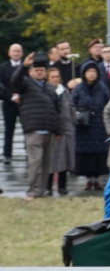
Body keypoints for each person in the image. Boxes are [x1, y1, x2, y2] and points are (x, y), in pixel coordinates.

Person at [11, 52, 61, 200]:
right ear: (30, 71)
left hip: (49, 130)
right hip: (33, 129)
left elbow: (56, 109)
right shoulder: (25, 84)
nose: (39, 72)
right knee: (35, 162)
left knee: (46, 164)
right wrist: (23, 66)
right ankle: (32, 191)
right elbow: (14, 81)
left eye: (42, 70)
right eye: (36, 70)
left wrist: (57, 129)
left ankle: (41, 190)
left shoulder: (49, 87)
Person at [71, 62, 110, 191]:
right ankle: (89, 180)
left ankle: (97, 180)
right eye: (89, 72)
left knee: (99, 155)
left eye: (94, 71)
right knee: (86, 156)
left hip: (99, 126)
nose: (91, 74)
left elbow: (108, 105)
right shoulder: (78, 88)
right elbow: (72, 104)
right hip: (83, 127)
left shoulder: (103, 88)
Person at [45, 68, 75, 196]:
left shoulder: (65, 91)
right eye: (52, 77)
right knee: (51, 160)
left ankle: (62, 186)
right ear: (48, 78)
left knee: (64, 159)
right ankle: (48, 187)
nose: (55, 79)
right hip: (51, 129)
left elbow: (71, 108)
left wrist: (72, 123)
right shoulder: (45, 91)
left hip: (66, 129)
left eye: (57, 76)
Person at [0, 43, 23, 164]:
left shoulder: (26, 67)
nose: (16, 53)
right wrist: (11, 96)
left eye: (18, 51)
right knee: (9, 129)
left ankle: (30, 153)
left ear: (22, 53)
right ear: (9, 53)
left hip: (24, 103)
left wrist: (20, 96)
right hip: (9, 103)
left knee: (28, 129)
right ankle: (7, 155)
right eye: (14, 51)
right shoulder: (3, 67)